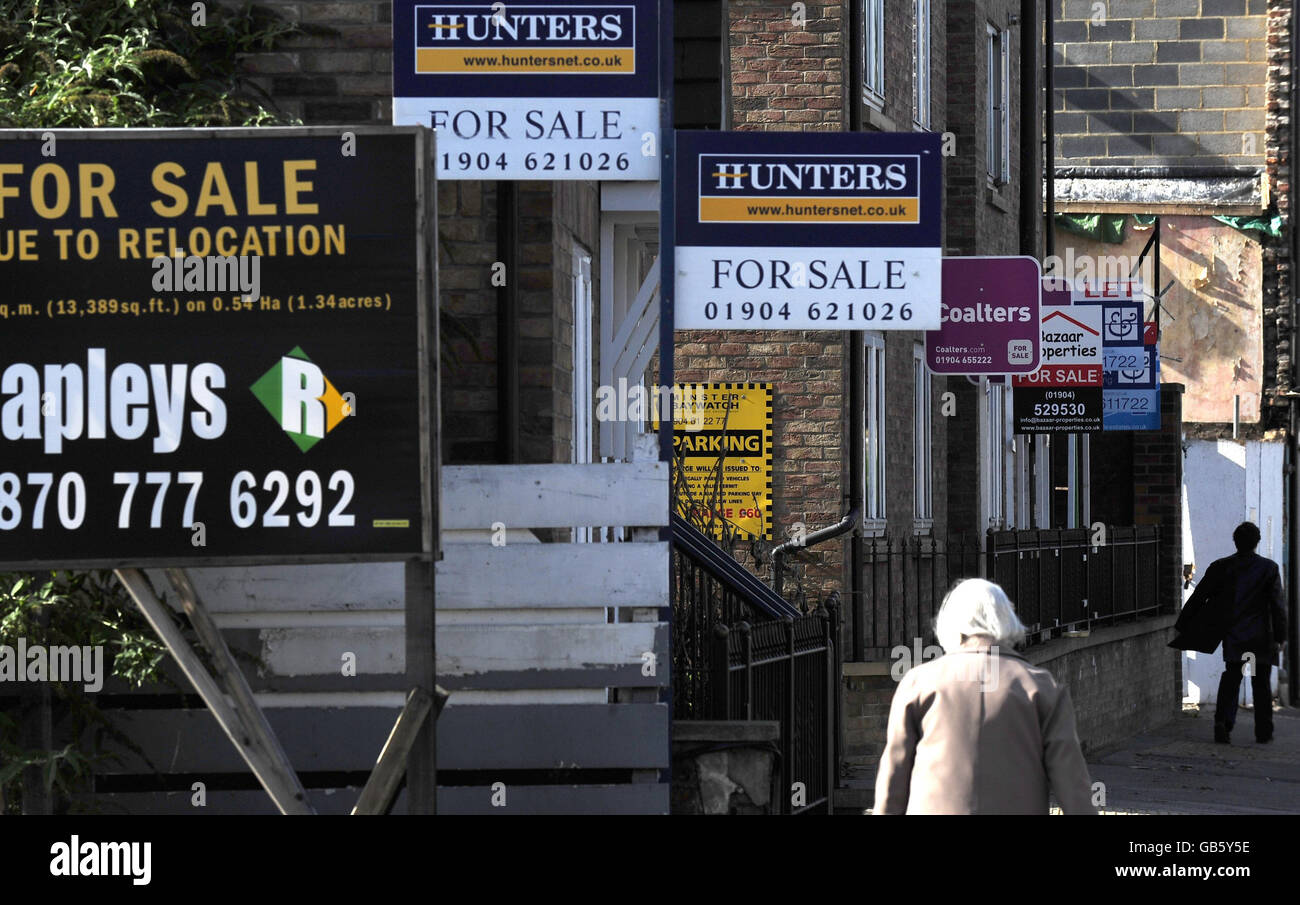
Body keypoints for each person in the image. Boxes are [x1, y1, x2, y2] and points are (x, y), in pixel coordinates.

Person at [873, 578, 1096, 814]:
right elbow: (1071, 783)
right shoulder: (1040, 687)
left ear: (950, 624)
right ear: (1007, 622)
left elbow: (895, 775)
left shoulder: (918, 683)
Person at [1170, 521, 1287, 744]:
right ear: (1257, 542)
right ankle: (1263, 732)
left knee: (1232, 679)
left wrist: (1182, 626)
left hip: (1235, 635)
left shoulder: (1221, 567)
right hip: (1260, 637)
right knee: (1260, 683)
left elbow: (1198, 597)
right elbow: (1277, 605)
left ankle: (1222, 722)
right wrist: (1281, 637)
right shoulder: (1269, 569)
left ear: (1235, 541)